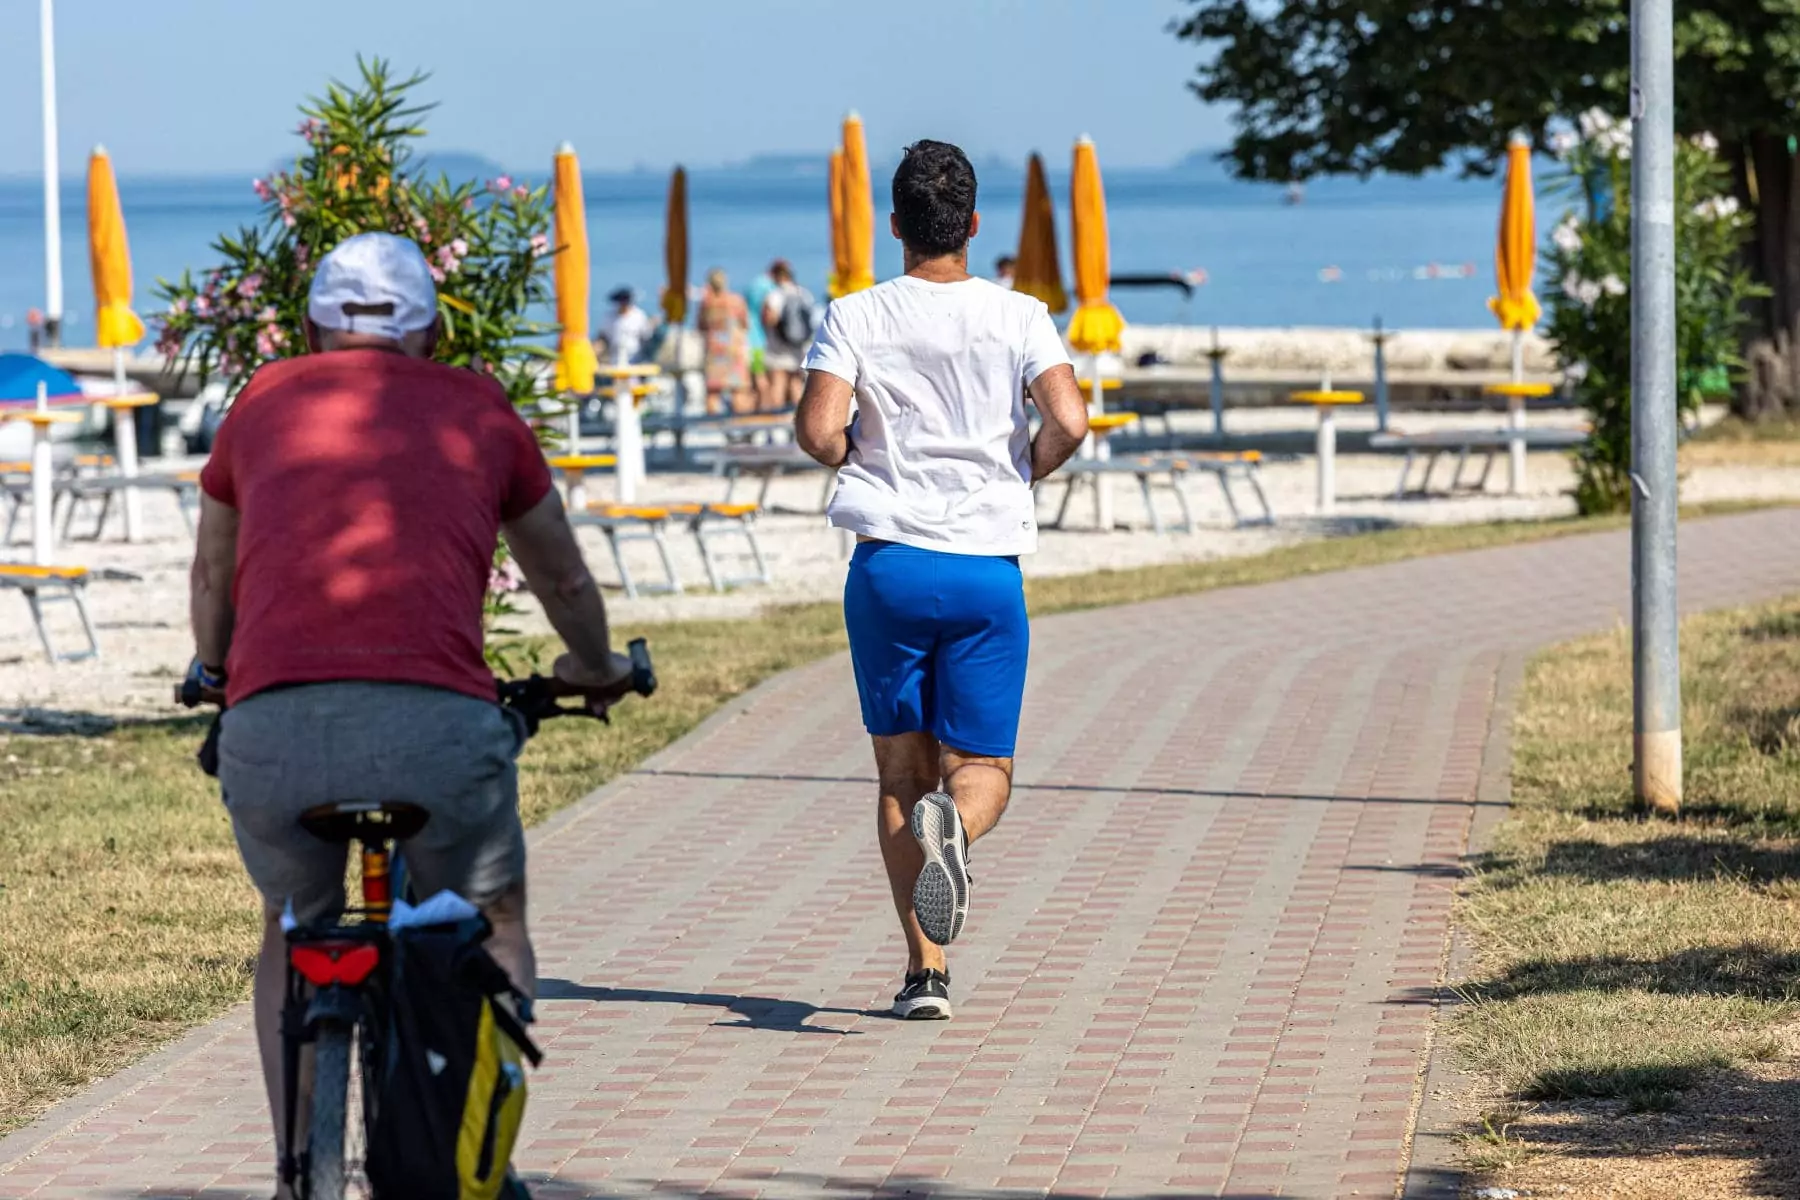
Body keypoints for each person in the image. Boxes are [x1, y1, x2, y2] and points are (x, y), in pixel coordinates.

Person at [188, 232, 638, 1199]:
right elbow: (560, 572)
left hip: (274, 732)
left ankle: (295, 1168)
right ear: (430, 331)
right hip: (440, 731)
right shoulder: (477, 406)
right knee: (490, 911)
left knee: (291, 921)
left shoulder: (264, 400)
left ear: (310, 326)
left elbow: (214, 571)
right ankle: (479, 1148)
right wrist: (595, 666)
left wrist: (217, 668)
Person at [794, 141, 1088, 1021]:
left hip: (888, 566)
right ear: (972, 226)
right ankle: (960, 827)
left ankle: (926, 974)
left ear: (895, 227)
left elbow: (818, 433)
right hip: (984, 571)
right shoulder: (1021, 314)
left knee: (898, 779)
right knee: (982, 766)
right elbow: (1070, 418)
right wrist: (1018, 475)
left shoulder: (854, 314)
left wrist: (866, 460)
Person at [761, 259, 816, 411]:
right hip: (799, 346)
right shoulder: (804, 293)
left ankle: (776, 420)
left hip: (778, 347)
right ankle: (795, 420)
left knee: (778, 383)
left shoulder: (775, 295)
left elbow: (770, 319)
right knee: (796, 384)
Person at [696, 268, 751, 414]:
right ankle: (741, 427)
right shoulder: (736, 300)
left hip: (715, 350)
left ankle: (712, 426)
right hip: (733, 349)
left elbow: (700, 326)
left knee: (713, 392)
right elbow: (745, 324)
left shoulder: (707, 304)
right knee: (738, 390)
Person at [743, 264, 777, 411]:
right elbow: (769, 315)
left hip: (748, 339)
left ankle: (756, 410)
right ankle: (767, 411)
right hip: (760, 341)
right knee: (761, 379)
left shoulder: (754, 285)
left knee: (752, 381)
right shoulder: (769, 287)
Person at [598, 285, 654, 366]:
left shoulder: (638, 316)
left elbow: (646, 337)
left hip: (635, 357)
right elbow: (603, 336)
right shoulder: (609, 316)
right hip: (614, 357)